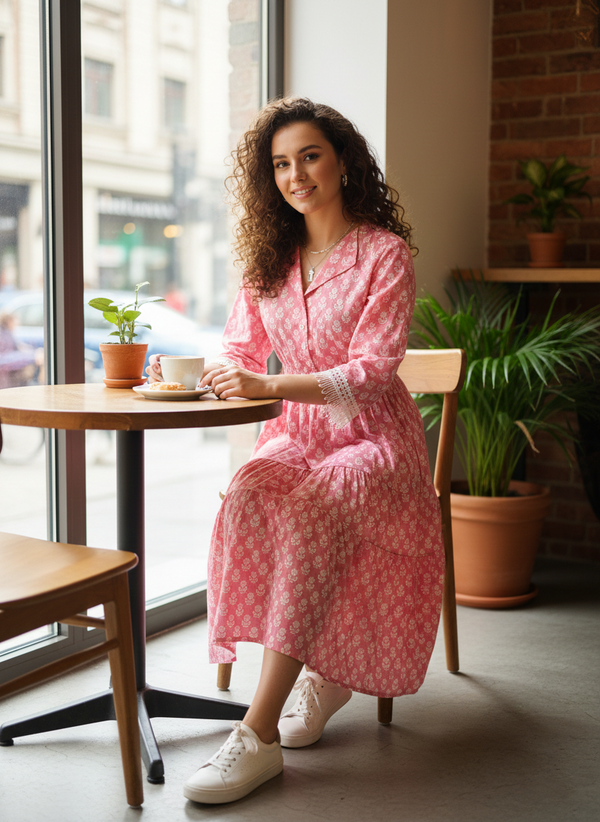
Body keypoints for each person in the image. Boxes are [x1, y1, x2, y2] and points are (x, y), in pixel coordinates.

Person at [147, 97, 444, 805]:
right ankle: (322, 669)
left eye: (309, 155)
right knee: (250, 492)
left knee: (316, 505)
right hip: (295, 436)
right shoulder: (271, 260)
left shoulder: (383, 254)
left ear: (342, 161)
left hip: (373, 440)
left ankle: (258, 734)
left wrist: (269, 380)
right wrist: (211, 374)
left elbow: (373, 372)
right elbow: (242, 350)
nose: (295, 174)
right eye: (280, 163)